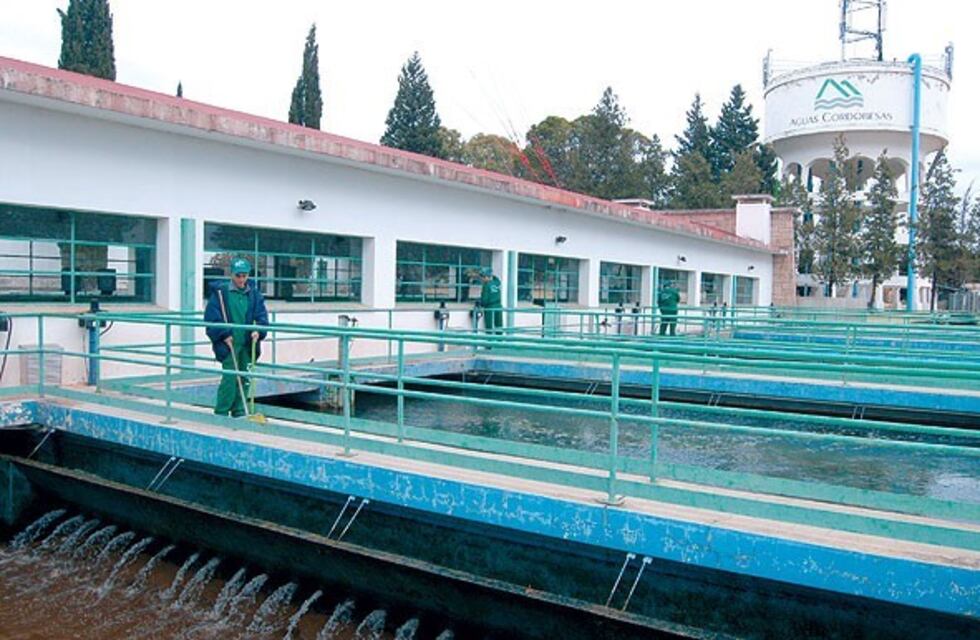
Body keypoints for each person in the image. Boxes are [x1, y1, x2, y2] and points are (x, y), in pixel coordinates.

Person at [205, 258, 269, 417]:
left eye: (244, 276)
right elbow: (212, 319)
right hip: (229, 344)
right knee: (230, 378)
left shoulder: (254, 295)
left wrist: (259, 330)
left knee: (245, 378)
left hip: (247, 344)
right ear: (232, 274)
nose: (241, 279)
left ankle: (239, 410)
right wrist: (224, 334)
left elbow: (262, 316)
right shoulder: (221, 294)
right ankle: (221, 412)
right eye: (238, 276)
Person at [478, 268, 503, 334]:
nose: (482, 279)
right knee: (499, 326)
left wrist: (480, 304)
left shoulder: (486, 285)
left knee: (489, 327)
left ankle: (489, 339)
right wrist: (492, 276)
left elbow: (485, 299)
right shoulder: (496, 283)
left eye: (482, 277)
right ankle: (500, 339)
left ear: (486, 277)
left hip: (490, 307)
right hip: (499, 306)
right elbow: (497, 279)